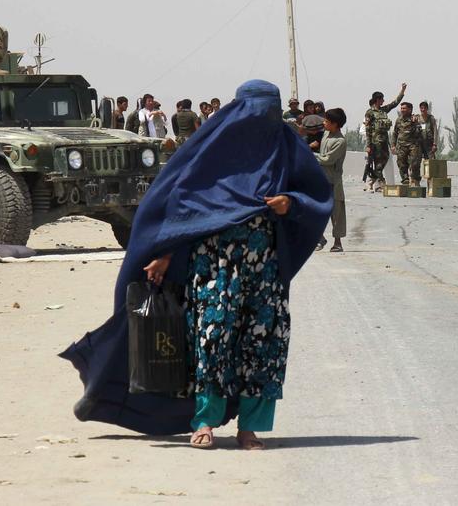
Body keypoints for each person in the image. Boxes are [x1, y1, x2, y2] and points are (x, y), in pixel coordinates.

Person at [61, 80, 333, 448]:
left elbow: (315, 194)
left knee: (262, 346)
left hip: (265, 269)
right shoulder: (212, 149)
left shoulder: (286, 147)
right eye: (254, 110)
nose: (261, 119)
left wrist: (291, 203)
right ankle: (204, 420)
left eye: (268, 111)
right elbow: (181, 205)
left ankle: (249, 428)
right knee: (212, 339)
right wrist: (165, 253)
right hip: (214, 267)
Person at [313, 108, 347, 253]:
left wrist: (311, 155)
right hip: (321, 179)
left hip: (333, 181)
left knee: (336, 213)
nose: (324, 123)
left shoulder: (340, 141)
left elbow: (327, 159)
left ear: (335, 124)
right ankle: (320, 238)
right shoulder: (326, 134)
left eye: (327, 121)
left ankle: (337, 243)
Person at [363, 83, 406, 191]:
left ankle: (372, 181)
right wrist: (368, 145)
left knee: (384, 159)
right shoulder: (370, 113)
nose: (383, 101)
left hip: (384, 141)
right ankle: (379, 183)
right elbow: (368, 130)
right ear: (377, 100)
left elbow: (395, 103)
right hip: (375, 142)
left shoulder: (383, 110)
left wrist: (402, 91)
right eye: (382, 99)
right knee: (378, 163)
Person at [392, 101, 423, 185]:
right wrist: (393, 145)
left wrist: (415, 123)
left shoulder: (415, 118)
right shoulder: (398, 120)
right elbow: (395, 133)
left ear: (410, 110)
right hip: (401, 146)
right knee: (401, 163)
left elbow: (420, 131)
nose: (402, 110)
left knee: (415, 163)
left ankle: (415, 180)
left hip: (413, 145)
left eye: (404, 108)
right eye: (401, 108)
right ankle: (405, 179)